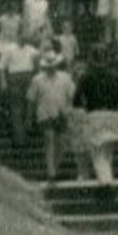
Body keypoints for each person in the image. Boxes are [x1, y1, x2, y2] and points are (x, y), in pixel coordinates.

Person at [74, 48, 118, 204]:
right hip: (113, 116)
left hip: (95, 116)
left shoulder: (85, 78)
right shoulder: (117, 78)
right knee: (107, 154)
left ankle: (107, 185)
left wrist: (85, 108)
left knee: (98, 155)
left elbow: (76, 101)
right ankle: (103, 186)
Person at [27, 51, 75, 182]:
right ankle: (51, 172)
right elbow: (31, 99)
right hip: (44, 114)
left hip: (61, 113)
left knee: (61, 144)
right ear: (45, 66)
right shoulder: (37, 79)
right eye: (48, 66)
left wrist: (70, 112)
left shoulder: (65, 78)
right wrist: (29, 117)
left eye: (53, 65)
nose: (51, 68)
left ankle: (55, 167)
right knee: (49, 140)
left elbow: (71, 96)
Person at [0, 37, 40, 148]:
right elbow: (0, 66)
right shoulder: (9, 49)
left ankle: (28, 130)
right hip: (14, 78)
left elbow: (40, 62)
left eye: (26, 36)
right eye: (21, 35)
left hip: (28, 77)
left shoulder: (31, 49)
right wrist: (3, 81)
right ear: (17, 36)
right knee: (16, 108)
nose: (24, 38)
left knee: (30, 105)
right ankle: (19, 139)